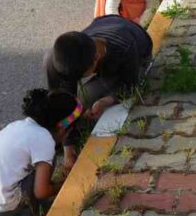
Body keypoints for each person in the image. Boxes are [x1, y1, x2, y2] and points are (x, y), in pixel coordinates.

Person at [0, 88, 80, 216]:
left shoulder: (17, 125)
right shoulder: (44, 140)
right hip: (0, 209)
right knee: (47, 161)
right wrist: (64, 186)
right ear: (62, 128)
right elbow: (41, 192)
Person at [44, 15, 153, 162]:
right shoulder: (57, 58)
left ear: (96, 58)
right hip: (103, 22)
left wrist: (105, 101)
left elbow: (130, 87)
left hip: (139, 52)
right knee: (74, 108)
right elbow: (64, 102)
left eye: (82, 76)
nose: (78, 81)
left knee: (85, 100)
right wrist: (68, 150)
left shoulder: (124, 48)